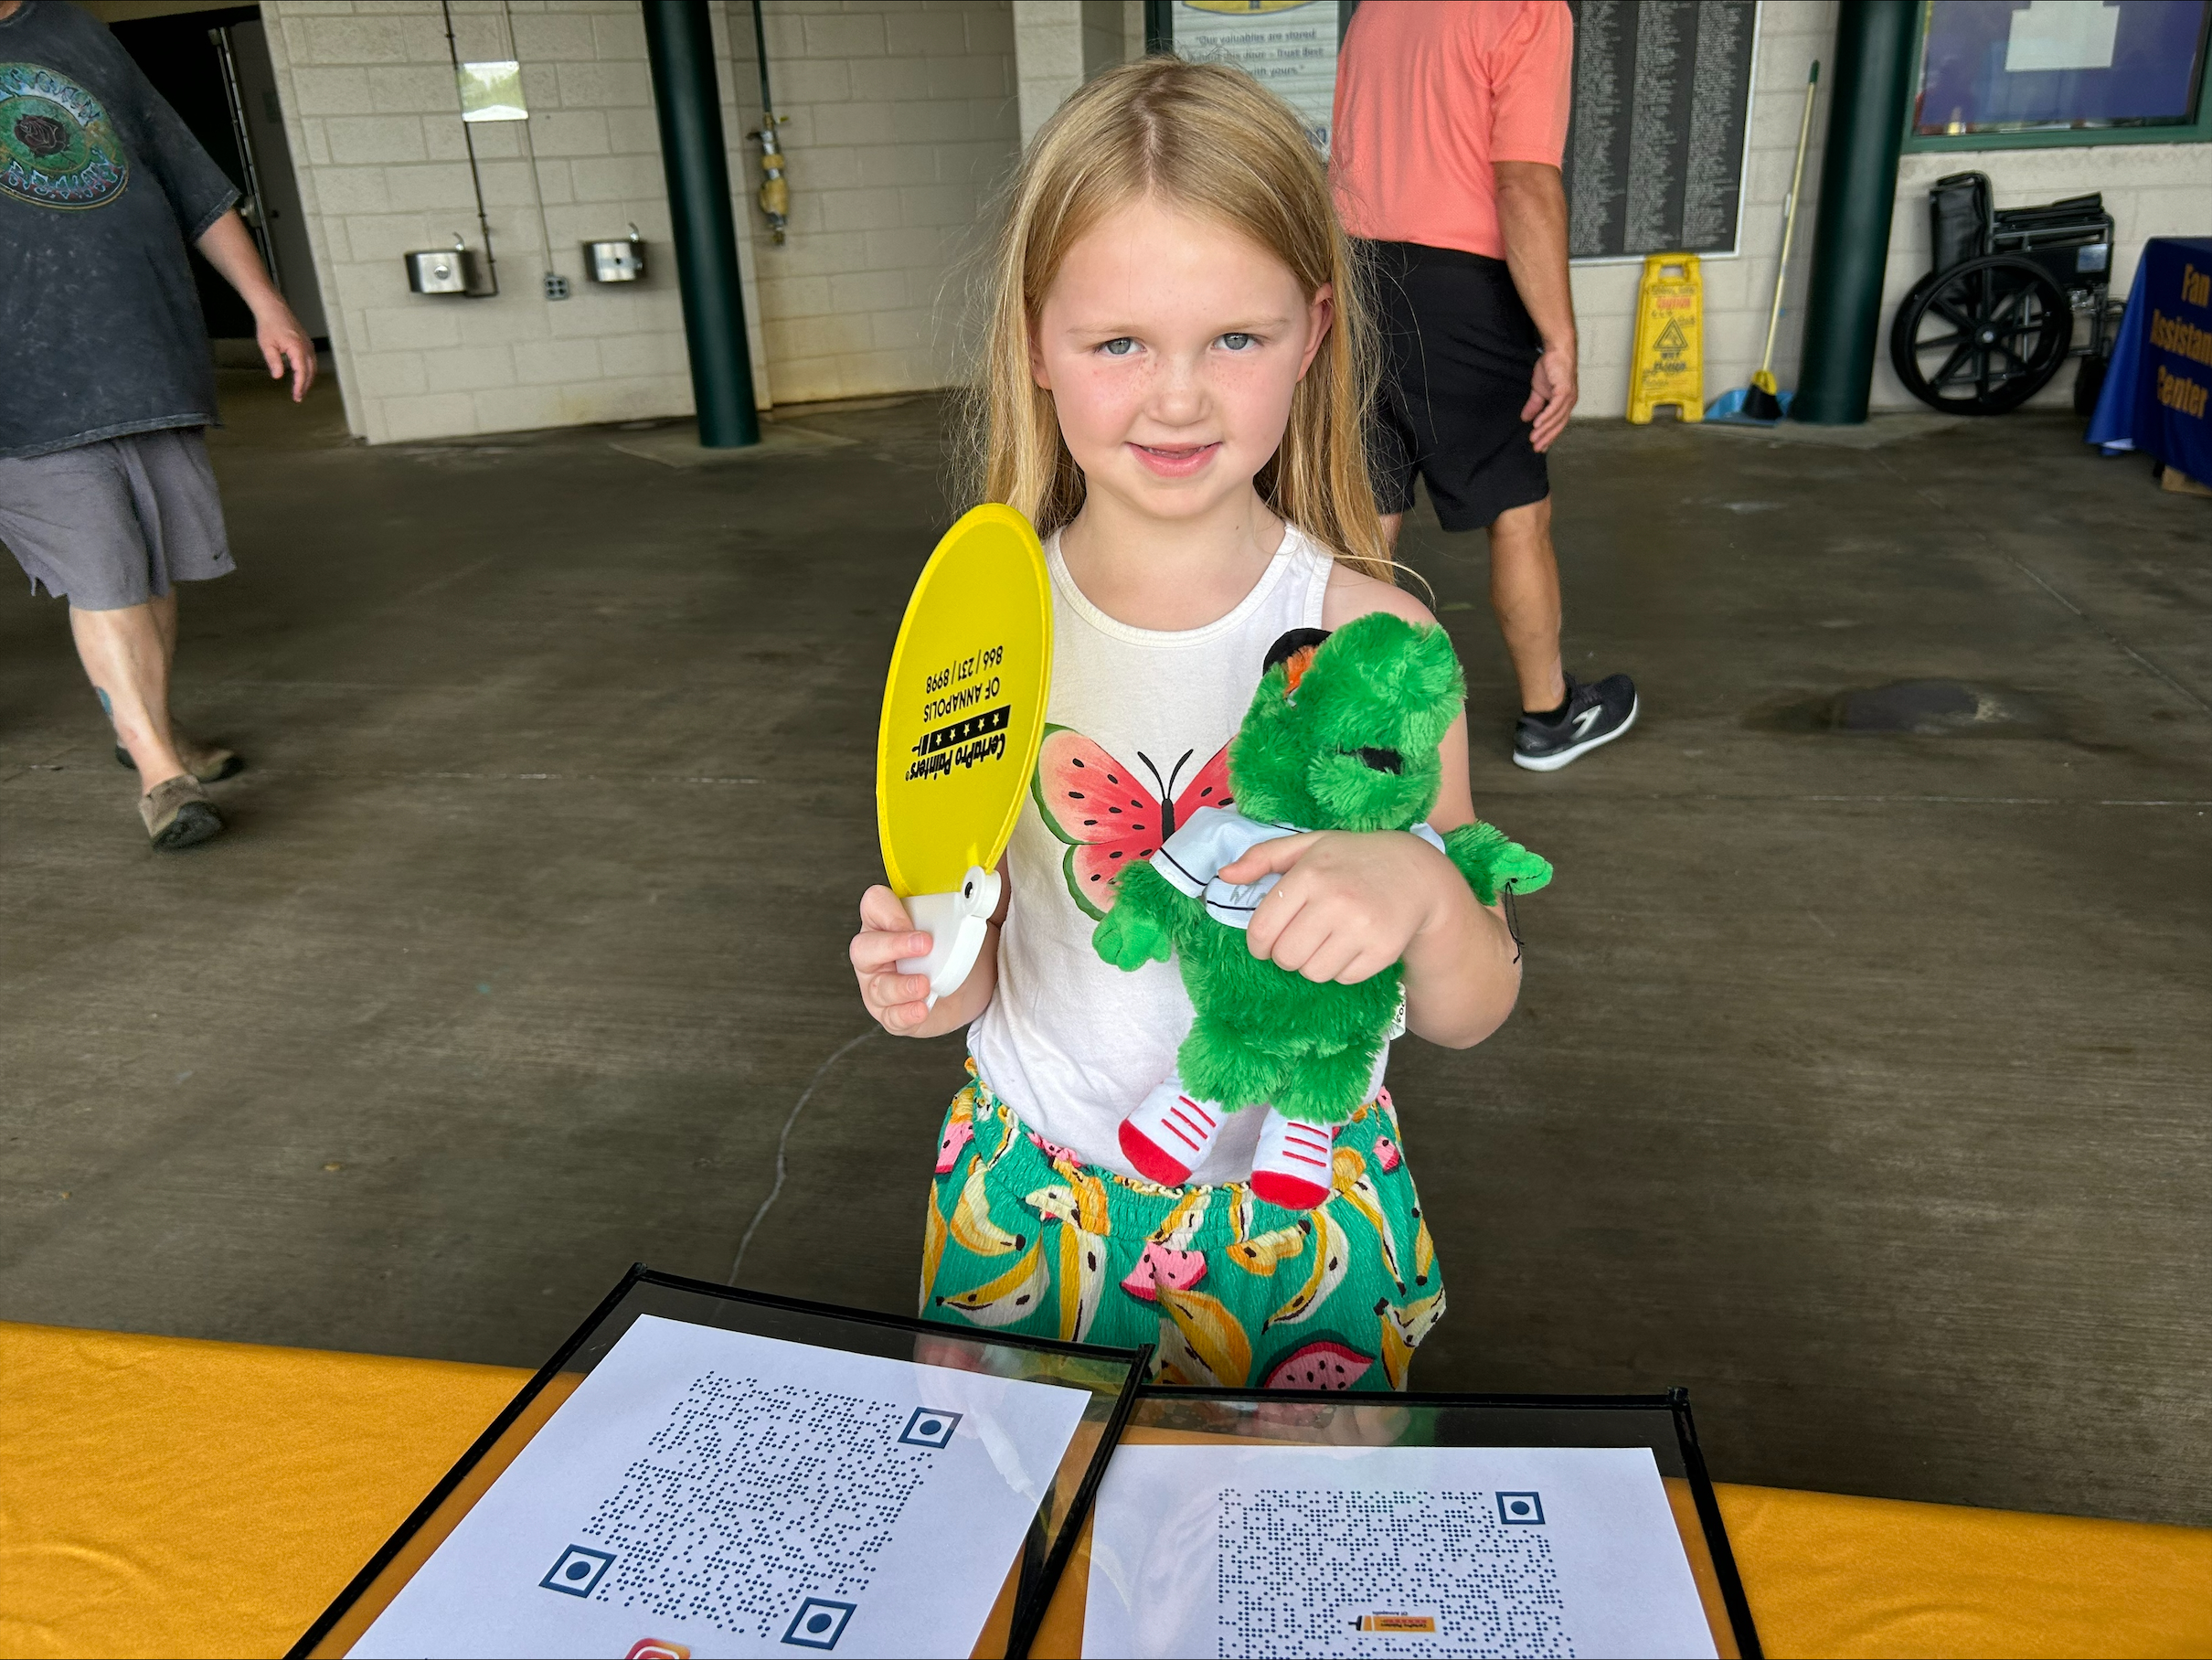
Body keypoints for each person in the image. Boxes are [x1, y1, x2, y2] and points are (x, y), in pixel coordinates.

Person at [848, 59, 1533, 1389]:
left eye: (1237, 338)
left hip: (1300, 1218)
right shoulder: (989, 628)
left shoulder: (1375, 646)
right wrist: (927, 980)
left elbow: (1472, 1008)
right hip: (1032, 1198)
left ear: (1315, 332)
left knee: (1290, 1571)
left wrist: (1427, 893)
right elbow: (986, 948)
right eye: (1118, 344)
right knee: (1031, 1546)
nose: (1177, 398)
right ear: (1037, 344)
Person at [0, 0, 316, 848]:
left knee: (150, 561)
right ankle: (159, 775)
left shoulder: (72, 32)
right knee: (103, 564)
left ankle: (147, 727)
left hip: (142, 354)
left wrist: (266, 302)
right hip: (18, 385)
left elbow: (189, 179)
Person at [1332, 0, 1638, 771]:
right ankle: (1551, 715)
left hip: (1358, 275)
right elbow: (1524, 182)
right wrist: (1560, 340)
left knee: (1372, 512)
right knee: (1517, 512)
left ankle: (1357, 734)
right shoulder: (1527, 9)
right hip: (1462, 292)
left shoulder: (1378, 9)